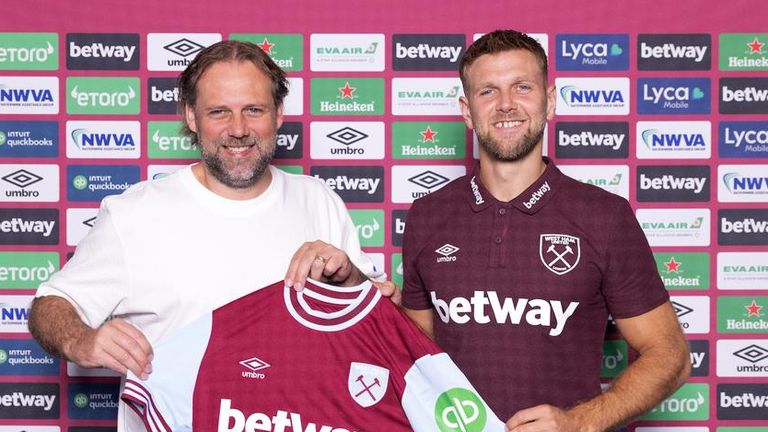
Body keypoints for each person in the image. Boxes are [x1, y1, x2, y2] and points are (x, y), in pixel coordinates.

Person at [28, 40, 386, 431]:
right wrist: (81, 340)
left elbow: (380, 321)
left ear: (279, 114)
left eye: (254, 110)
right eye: (219, 112)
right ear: (192, 117)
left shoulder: (319, 200)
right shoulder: (135, 213)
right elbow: (51, 305)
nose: (238, 129)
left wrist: (351, 277)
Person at [401, 30, 690, 432]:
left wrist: (580, 421)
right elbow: (416, 357)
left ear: (549, 100)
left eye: (522, 87)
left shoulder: (604, 216)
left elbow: (670, 355)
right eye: (488, 91)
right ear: (466, 111)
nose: (505, 105)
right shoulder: (427, 216)